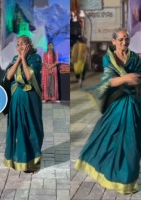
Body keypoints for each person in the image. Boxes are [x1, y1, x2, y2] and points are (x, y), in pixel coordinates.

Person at [75, 28, 141, 194]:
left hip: (132, 105)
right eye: (120, 39)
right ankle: (106, 172)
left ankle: (127, 181)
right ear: (113, 42)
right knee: (105, 137)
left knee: (131, 143)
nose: (124, 42)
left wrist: (136, 80)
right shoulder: (108, 59)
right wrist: (126, 78)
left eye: (126, 39)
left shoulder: (134, 58)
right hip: (117, 104)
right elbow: (108, 80)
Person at [1, 35, 44, 173]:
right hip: (16, 100)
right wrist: (19, 59)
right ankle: (18, 159)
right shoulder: (15, 59)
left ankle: (32, 160)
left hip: (30, 100)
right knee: (17, 128)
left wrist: (24, 59)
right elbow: (8, 76)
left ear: (29, 45)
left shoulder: (36, 58)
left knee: (31, 128)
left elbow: (29, 77)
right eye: (18, 44)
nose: (19, 47)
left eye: (22, 44)